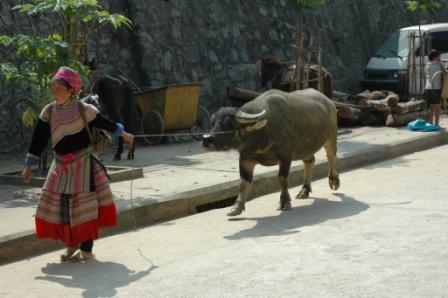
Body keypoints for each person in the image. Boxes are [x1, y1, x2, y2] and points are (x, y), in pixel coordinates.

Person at [21, 66, 134, 262]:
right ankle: (71, 245)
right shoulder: (48, 112)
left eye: (59, 89)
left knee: (85, 208)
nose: (55, 93)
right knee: (63, 208)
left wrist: (124, 134)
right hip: (61, 167)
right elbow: (38, 140)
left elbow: (105, 123)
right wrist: (29, 165)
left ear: (71, 90)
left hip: (83, 166)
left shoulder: (84, 110)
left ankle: (86, 249)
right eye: (53, 89)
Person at [424, 49, 446, 126]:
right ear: (435, 57)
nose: (440, 57)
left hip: (428, 87)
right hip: (436, 88)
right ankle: (436, 124)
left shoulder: (428, 64)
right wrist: (441, 62)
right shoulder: (438, 65)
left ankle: (430, 123)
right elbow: (445, 71)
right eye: (439, 56)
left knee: (431, 106)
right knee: (437, 106)